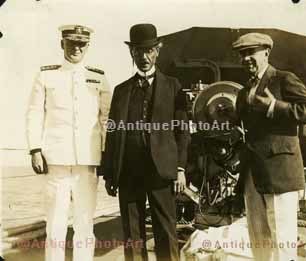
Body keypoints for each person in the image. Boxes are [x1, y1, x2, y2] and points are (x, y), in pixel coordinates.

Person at [100, 23, 190, 261]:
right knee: (132, 233)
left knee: (165, 230)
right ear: (132, 53)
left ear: (158, 51)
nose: (144, 57)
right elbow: (112, 134)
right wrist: (110, 174)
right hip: (128, 171)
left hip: (161, 172)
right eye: (138, 51)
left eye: (149, 50)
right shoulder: (121, 90)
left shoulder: (173, 86)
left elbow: (183, 131)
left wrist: (180, 168)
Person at [26, 24, 111, 261]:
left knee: (85, 222)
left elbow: (107, 119)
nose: (76, 48)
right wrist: (35, 149)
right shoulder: (46, 75)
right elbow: (34, 113)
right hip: (56, 161)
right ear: (62, 44)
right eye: (71, 43)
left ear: (87, 46)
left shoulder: (99, 78)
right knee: (55, 223)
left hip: (87, 161)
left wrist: (107, 153)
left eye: (81, 44)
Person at [233, 33, 306, 261]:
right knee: (258, 238)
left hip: (280, 171)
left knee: (283, 240)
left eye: (251, 52)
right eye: (242, 54)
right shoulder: (243, 93)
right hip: (252, 173)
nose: (246, 59)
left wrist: (274, 107)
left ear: (266, 53)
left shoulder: (283, 79)